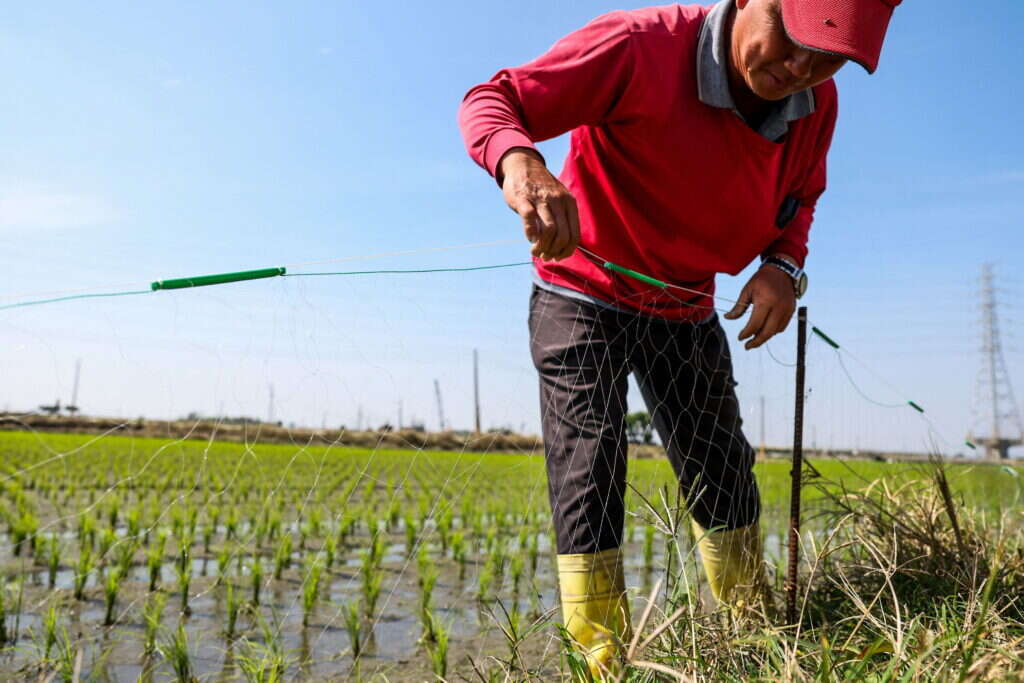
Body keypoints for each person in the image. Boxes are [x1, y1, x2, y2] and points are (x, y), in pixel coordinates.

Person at [458, 0, 901, 677]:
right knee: (593, 465)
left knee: (721, 467)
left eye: (828, 54)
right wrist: (523, 167)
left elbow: (803, 196)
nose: (798, 68)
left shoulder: (816, 103)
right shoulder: (641, 48)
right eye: (793, 38)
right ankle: (606, 660)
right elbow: (495, 100)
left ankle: (753, 634)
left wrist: (784, 266)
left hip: (685, 301)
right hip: (583, 289)